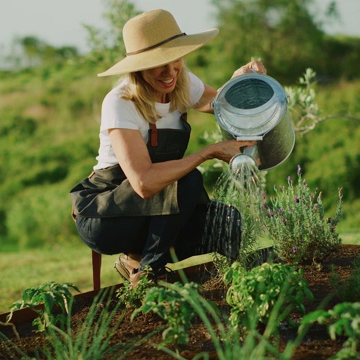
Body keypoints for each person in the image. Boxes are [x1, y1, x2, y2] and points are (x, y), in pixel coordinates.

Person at [69, 8, 266, 288]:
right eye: (159, 63)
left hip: (157, 211)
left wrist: (240, 81)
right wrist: (208, 152)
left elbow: (219, 104)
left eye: (176, 60)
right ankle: (148, 274)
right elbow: (143, 182)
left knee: (227, 221)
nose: (170, 71)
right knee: (188, 179)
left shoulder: (180, 81)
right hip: (108, 216)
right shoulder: (120, 102)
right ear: (137, 66)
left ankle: (145, 261)